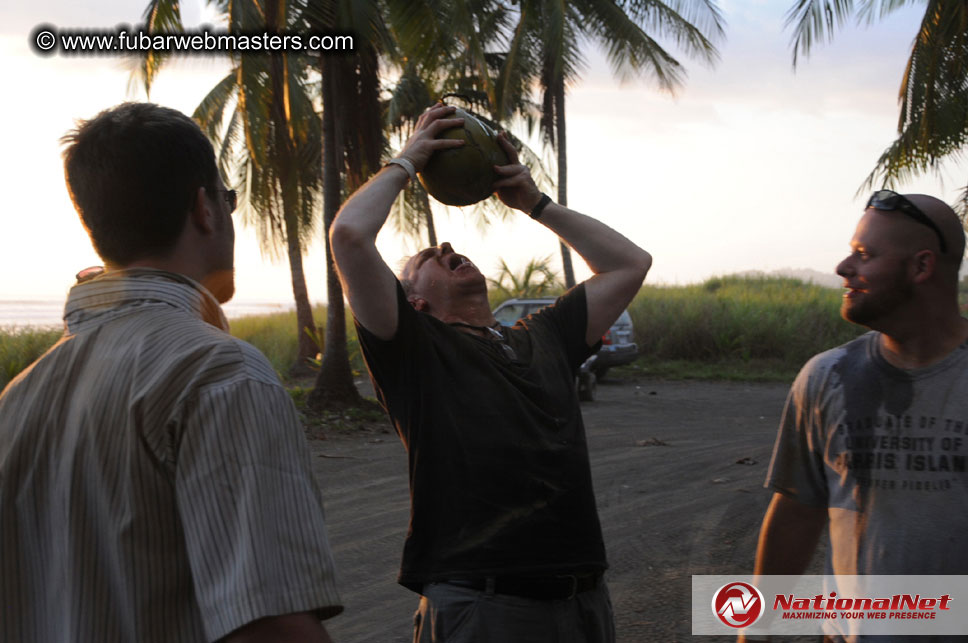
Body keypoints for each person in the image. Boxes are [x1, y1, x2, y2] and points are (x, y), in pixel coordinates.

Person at [0, 102, 342, 643]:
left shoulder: (17, 397)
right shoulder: (218, 371)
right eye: (228, 200)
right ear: (204, 207)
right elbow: (270, 625)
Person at [329, 102, 651, 642]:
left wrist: (534, 202)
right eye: (429, 257)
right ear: (415, 302)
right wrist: (409, 159)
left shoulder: (543, 337)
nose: (449, 246)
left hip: (582, 601)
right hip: (482, 604)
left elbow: (629, 263)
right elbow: (350, 237)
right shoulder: (413, 348)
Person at [750, 191, 968, 641]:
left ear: (921, 267)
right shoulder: (827, 377)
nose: (843, 268)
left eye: (864, 255)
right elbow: (795, 512)